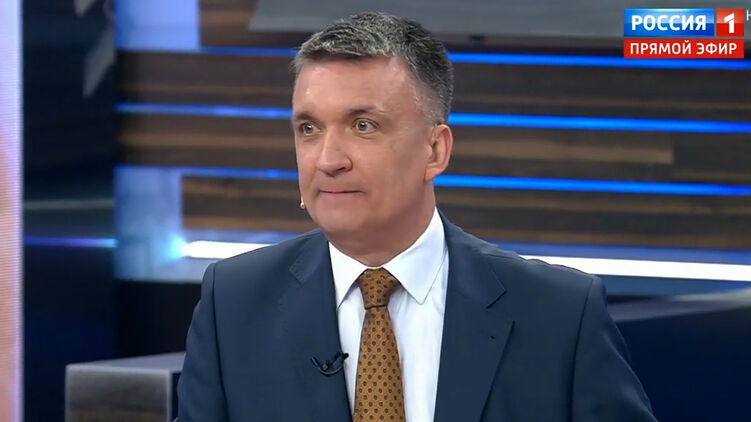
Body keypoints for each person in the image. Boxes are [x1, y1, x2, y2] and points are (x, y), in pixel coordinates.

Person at [177, 12, 657, 422]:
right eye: (309, 128)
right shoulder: (234, 304)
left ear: (434, 150)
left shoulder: (559, 315)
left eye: (363, 125)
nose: (327, 159)